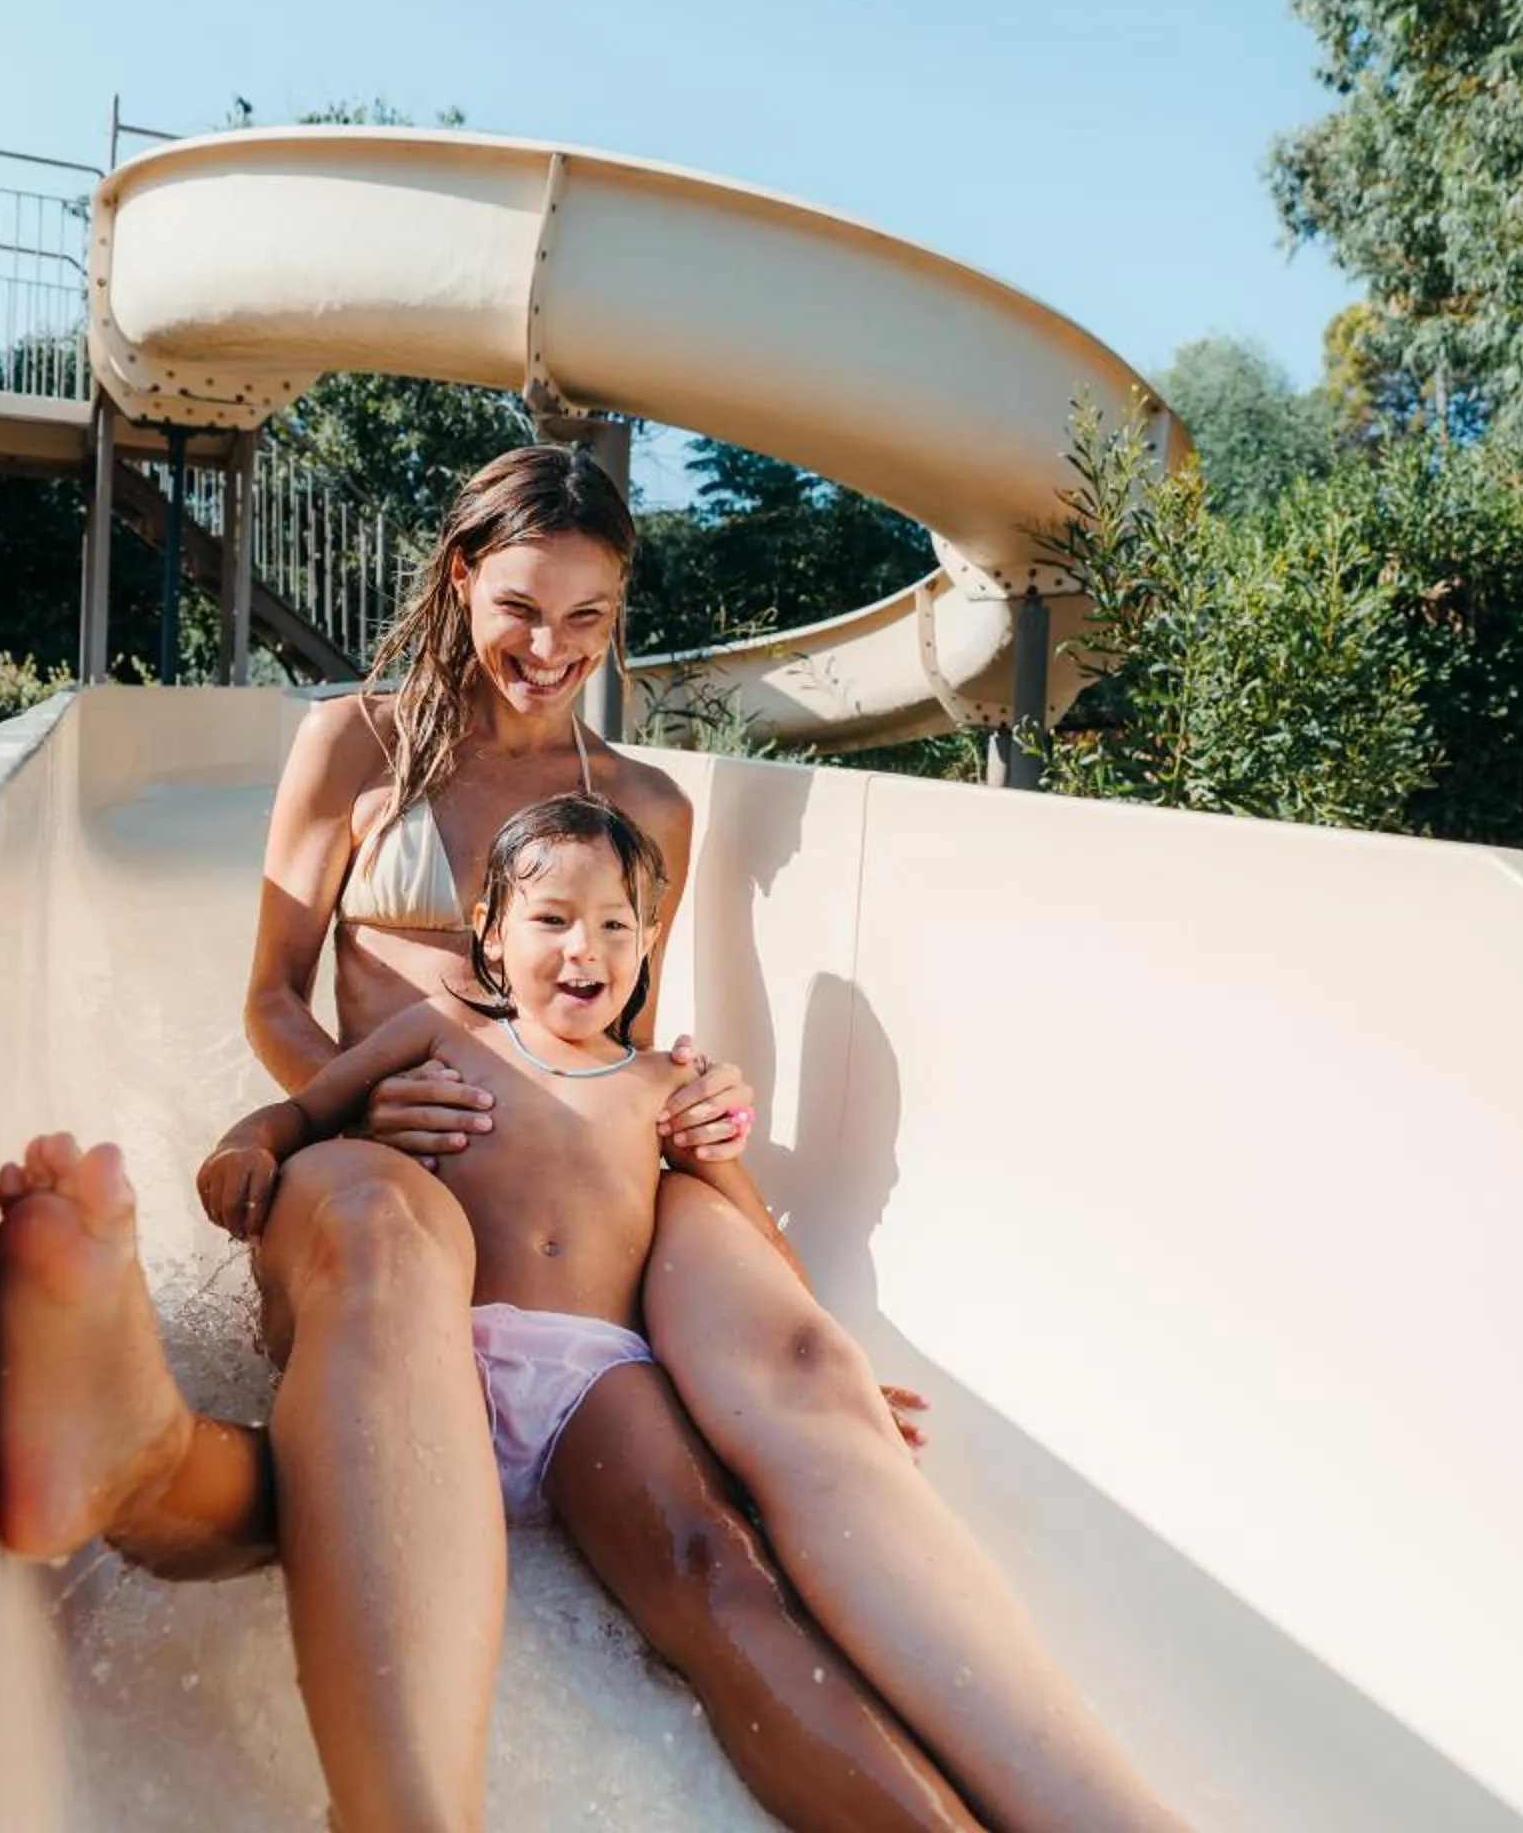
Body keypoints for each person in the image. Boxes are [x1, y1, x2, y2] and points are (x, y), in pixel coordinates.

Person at [230, 442, 1180, 1831]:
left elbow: (625, 1050)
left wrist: (704, 1120)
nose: (549, 649)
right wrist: (353, 1099)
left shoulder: (642, 806)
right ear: (460, 580)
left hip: (575, 1173)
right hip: (397, 1169)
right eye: (520, 609)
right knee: (401, 1235)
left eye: (588, 618)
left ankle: (1095, 1810)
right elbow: (267, 994)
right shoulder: (355, 746)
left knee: (798, 1368)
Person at [195, 792, 982, 1828]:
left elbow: (751, 1238)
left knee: (715, 1567)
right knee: (331, 1503)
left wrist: (833, 1381)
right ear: (489, 932)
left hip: (592, 1383)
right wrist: (242, 1149)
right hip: (440, 1361)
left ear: (649, 941)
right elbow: (299, 1112)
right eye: (552, 918)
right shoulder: (436, 1034)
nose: (586, 947)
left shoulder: (663, 1083)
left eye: (616, 923)